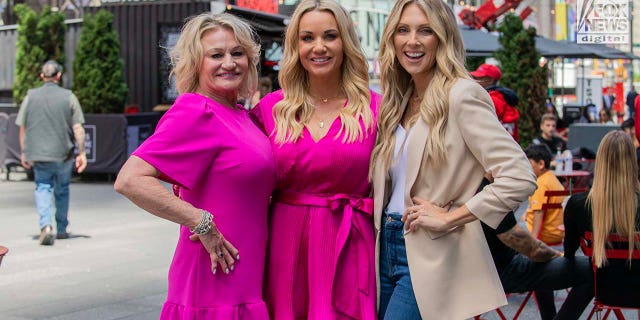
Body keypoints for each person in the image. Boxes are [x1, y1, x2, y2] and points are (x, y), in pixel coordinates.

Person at [369, 0, 537, 318]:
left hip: (431, 249)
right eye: (403, 30)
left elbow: (519, 176)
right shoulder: (397, 101)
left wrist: (453, 216)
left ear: (442, 37)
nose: (412, 41)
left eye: (425, 30)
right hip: (383, 249)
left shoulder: (462, 94)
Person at [114, 13, 275, 319]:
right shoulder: (195, 110)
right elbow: (130, 180)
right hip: (213, 272)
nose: (229, 62)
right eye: (216, 55)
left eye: (237, 53)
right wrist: (202, 222)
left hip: (245, 272)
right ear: (196, 63)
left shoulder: (240, 114)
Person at [249, 0, 380, 318]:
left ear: (346, 42)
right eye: (307, 38)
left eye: (330, 36)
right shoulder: (270, 110)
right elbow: (237, 171)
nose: (318, 47)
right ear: (295, 45)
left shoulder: (377, 109)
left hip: (350, 242)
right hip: (285, 241)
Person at [478, 176, 592, 320]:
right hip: (499, 273)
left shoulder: (453, 191)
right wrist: (556, 254)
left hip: (467, 274)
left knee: (540, 261)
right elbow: (518, 240)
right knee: (590, 270)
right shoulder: (486, 193)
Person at [564, 130, 640, 308]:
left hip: (602, 289)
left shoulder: (578, 204)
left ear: (601, 161)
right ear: (632, 162)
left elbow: (569, 253)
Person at [16, 60, 87, 246]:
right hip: (63, 153)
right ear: (58, 76)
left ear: (42, 76)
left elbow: (22, 127)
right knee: (62, 190)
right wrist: (82, 153)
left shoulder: (30, 96)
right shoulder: (69, 96)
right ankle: (62, 228)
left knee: (43, 188)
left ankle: (46, 226)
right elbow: (78, 128)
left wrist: (24, 152)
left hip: (39, 154)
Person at [524, 144, 566, 245]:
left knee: (509, 229)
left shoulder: (540, 184)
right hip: (558, 233)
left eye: (528, 163)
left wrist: (533, 243)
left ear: (541, 164)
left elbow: (538, 213)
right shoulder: (552, 178)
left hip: (545, 234)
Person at [470, 63, 520, 141]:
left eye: (479, 77)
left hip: (497, 147)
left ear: (490, 80)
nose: (475, 80)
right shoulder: (502, 97)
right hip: (508, 146)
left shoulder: (492, 99)